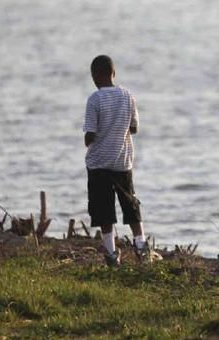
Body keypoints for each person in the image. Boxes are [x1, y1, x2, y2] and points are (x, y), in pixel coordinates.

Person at [83, 55, 154, 266]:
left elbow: (90, 136)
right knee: (130, 204)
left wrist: (93, 138)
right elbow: (134, 128)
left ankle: (112, 253)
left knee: (104, 210)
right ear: (114, 73)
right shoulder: (127, 96)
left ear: (94, 76)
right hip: (123, 162)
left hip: (99, 163)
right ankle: (141, 246)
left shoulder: (94, 100)